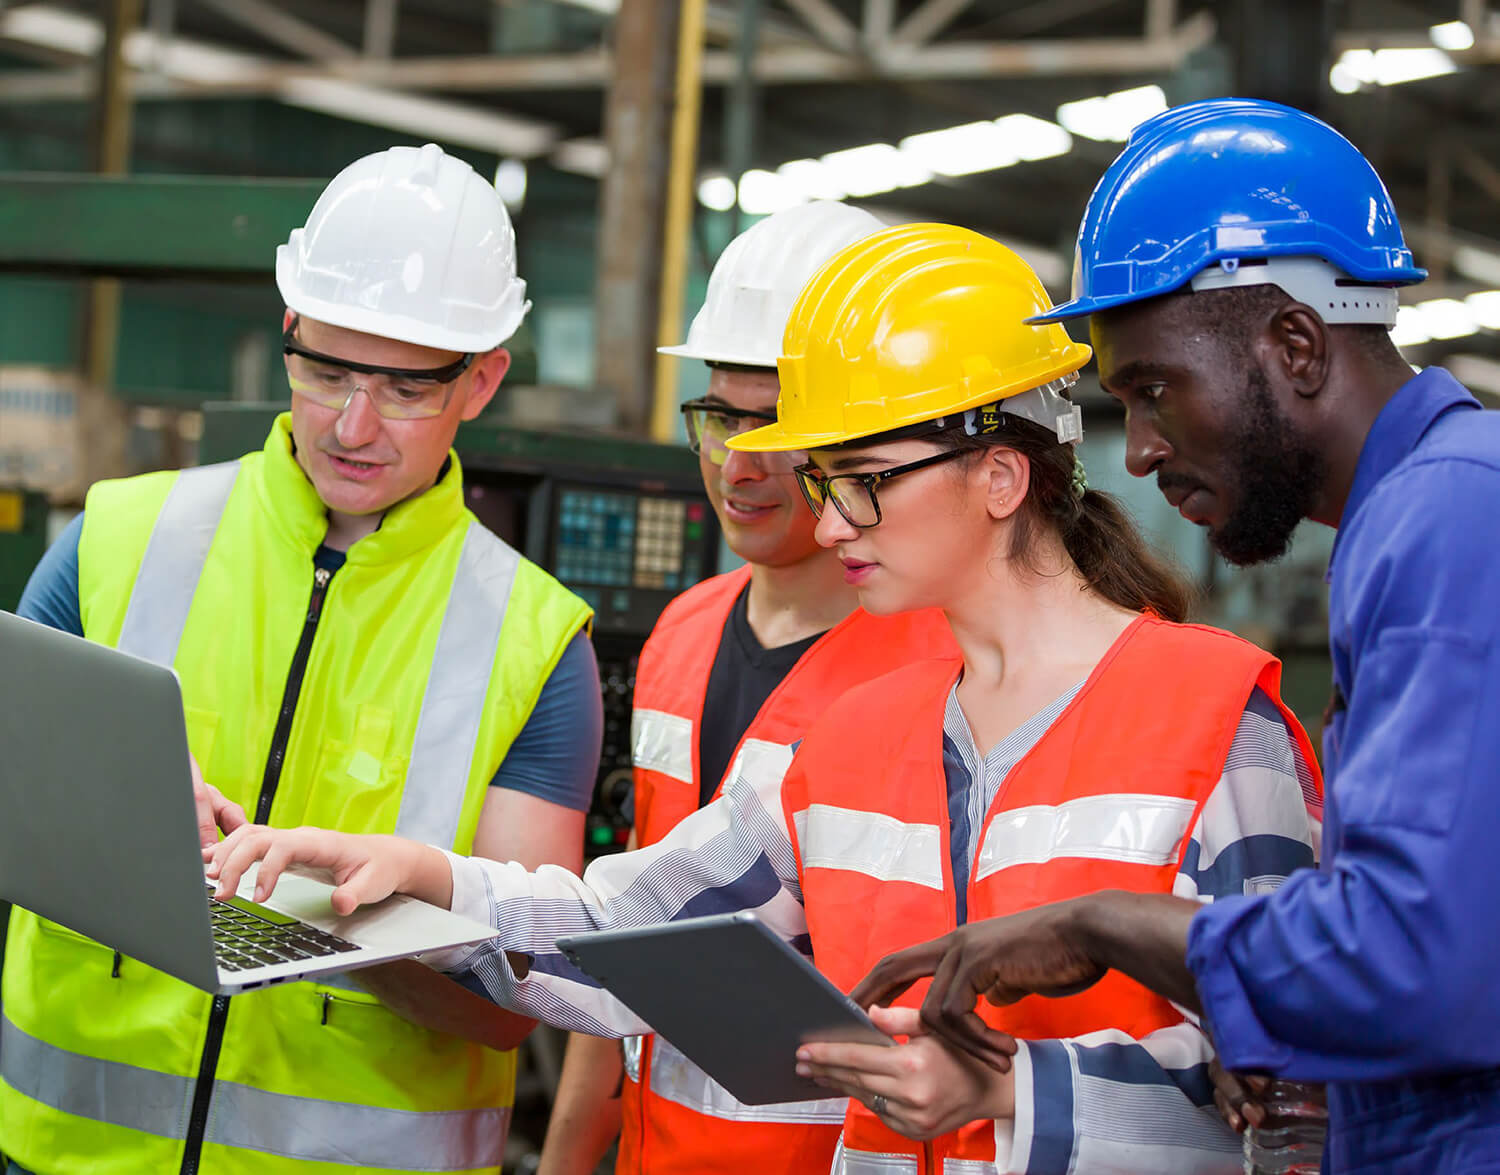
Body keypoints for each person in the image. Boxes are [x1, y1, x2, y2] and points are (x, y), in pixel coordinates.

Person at [204, 223, 1323, 1175]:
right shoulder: (844, 735)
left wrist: (1011, 1093)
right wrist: (422, 877)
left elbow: (1300, 1080)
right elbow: (624, 932)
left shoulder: (1217, 724)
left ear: (999, 473)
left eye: (860, 483)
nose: (828, 525)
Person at [853, 99, 1500, 1175]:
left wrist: (1112, 924)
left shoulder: (1450, 518)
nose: (1140, 452)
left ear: (1293, 344)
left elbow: (1418, 959)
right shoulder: (1427, 511)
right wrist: (1242, 995)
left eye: (1154, 391)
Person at [0, 143, 601, 1175]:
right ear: (287, 334)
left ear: (484, 378)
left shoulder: (537, 643)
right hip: (62, 1152)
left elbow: (515, 1004)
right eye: (325, 371)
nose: (352, 425)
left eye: (404, 388)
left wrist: (324, 925)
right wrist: (100, 822)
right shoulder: (115, 537)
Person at [538, 200, 956, 1175]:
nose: (742, 459)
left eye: (781, 421)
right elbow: (626, 929)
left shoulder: (937, 667)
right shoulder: (681, 632)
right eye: (722, 416)